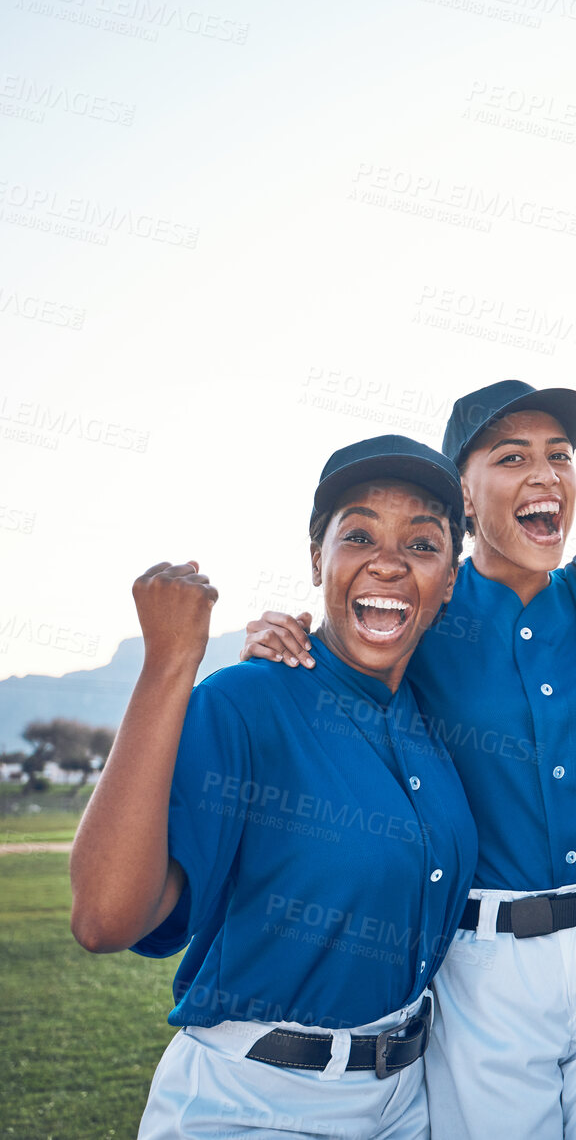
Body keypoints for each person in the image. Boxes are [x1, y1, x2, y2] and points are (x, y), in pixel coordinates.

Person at [240, 213, 576, 1139]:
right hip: (480, 963)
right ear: (461, 494)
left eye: (559, 455)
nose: (544, 473)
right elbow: (334, 667)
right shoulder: (419, 610)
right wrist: (276, 629)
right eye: (510, 457)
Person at [70, 435, 478, 1139]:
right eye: (357, 535)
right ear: (317, 560)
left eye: (421, 544)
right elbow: (104, 918)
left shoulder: (430, 715)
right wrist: (169, 664)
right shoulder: (246, 702)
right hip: (255, 1103)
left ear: (448, 579)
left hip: (406, 1101)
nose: (387, 561)